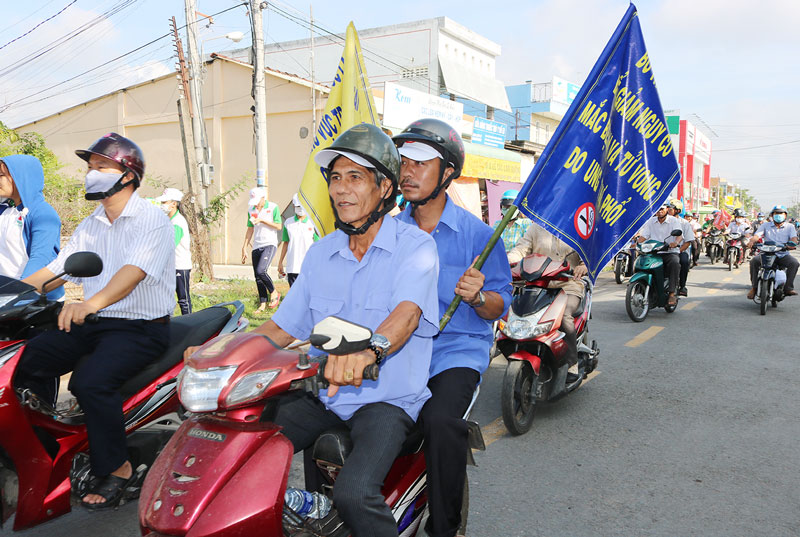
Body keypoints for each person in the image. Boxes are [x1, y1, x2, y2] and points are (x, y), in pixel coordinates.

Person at [185, 124, 438, 537]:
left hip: (386, 400)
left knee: (354, 494)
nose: (341, 189)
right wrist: (221, 352)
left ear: (385, 188)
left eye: (355, 177)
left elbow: (407, 315)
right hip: (323, 392)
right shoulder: (322, 254)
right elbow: (280, 328)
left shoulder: (416, 247)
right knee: (239, 454)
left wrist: (368, 351)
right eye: (335, 178)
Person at [16, 133, 175, 510]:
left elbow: (133, 272)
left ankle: (117, 467)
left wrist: (91, 303)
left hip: (140, 328)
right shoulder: (92, 223)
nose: (91, 174)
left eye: (101, 167)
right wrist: (10, 294)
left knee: (91, 382)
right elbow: (54, 271)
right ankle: (46, 447)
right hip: (95, 322)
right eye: (90, 168)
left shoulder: (152, 219)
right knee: (25, 362)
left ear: (127, 174)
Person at [393, 118, 512, 537]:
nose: (407, 172)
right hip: (397, 350)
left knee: (442, 421)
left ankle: (444, 528)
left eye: (420, 163)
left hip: (454, 352)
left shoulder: (478, 235)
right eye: (403, 161)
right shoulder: (388, 231)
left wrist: (479, 296)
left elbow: (499, 305)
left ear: (447, 173)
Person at [507, 222, 587, 372]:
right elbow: (521, 249)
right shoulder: (535, 227)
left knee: (564, 316)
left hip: (568, 284)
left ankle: (572, 363)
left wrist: (584, 265)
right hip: (538, 284)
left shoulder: (577, 225)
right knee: (517, 313)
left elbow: (587, 253)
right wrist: (509, 260)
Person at [0, 155, 64, 300]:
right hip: (6, 296)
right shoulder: (5, 210)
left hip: (35, 299)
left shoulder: (42, 213)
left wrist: (19, 293)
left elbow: (40, 258)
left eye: (1, 175)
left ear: (21, 177)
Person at [637, 202, 688, 306]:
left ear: (667, 209)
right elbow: (644, 236)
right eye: (657, 209)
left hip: (669, 252)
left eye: (662, 209)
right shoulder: (651, 221)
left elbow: (680, 235)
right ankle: (639, 287)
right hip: (653, 252)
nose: (659, 211)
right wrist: (637, 244)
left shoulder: (673, 221)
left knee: (674, 262)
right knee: (639, 262)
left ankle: (672, 293)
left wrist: (676, 243)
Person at [241, 186, 282, 312]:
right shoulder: (251, 209)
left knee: (261, 270)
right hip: (257, 245)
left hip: (269, 243)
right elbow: (250, 229)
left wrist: (262, 220)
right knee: (257, 277)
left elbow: (278, 226)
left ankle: (274, 292)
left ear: (263, 198)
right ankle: (262, 304)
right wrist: (244, 247)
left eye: (258, 201)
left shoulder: (273, 207)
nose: (256, 205)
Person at [746, 205, 798, 299]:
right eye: (776, 213)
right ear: (772, 215)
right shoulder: (765, 225)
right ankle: (754, 288)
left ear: (785, 216)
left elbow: (793, 238)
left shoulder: (790, 227)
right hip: (766, 254)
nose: (778, 215)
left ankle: (788, 288)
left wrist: (792, 244)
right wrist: (752, 241)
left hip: (783, 254)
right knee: (754, 261)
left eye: (781, 213)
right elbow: (757, 235)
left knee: (794, 263)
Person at [156, 187, 193, 314]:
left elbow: (170, 245)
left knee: (183, 299)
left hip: (180, 266)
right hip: (171, 266)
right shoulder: (169, 220)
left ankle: (190, 325)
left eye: (164, 202)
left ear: (174, 204)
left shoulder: (177, 222)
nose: (162, 205)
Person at [277, 193, 318, 286]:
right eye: (298, 206)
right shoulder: (288, 223)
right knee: (294, 294)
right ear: (293, 206)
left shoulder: (312, 223)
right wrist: (280, 262)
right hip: (292, 265)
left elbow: (319, 243)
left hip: (308, 265)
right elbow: (286, 243)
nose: (300, 208)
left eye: (302, 206)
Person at [667, 199, 693, 296]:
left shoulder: (684, 223)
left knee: (684, 261)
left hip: (679, 251)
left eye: (670, 209)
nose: (668, 211)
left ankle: (682, 286)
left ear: (677, 211)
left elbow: (687, 241)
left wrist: (678, 250)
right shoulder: (661, 221)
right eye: (667, 209)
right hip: (662, 251)